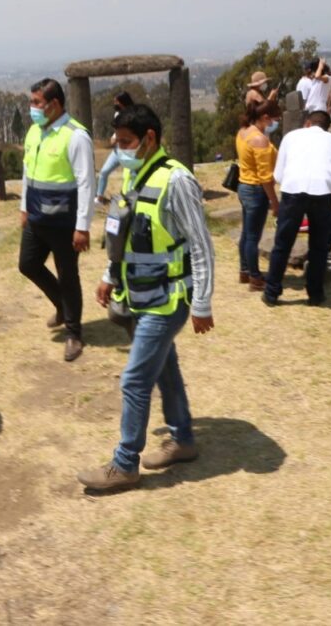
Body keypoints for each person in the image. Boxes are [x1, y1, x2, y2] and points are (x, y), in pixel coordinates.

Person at [76, 104, 215, 491]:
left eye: (126, 142)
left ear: (150, 138)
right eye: (116, 142)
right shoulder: (136, 175)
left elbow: (201, 245)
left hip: (168, 300)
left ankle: (125, 464)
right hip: (141, 294)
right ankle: (183, 438)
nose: (119, 150)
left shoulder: (177, 181)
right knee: (165, 369)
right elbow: (124, 235)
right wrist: (109, 275)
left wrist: (202, 303)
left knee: (135, 379)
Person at [19, 77, 94, 362]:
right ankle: (62, 305)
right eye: (31, 101)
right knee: (27, 264)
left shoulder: (75, 136)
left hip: (64, 222)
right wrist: (24, 207)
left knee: (68, 275)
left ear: (54, 104)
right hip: (36, 218)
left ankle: (74, 333)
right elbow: (28, 172)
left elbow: (86, 183)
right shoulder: (34, 132)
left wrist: (82, 227)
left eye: (36, 102)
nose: (32, 107)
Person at [262, 111, 331, 307]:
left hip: (293, 189)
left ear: (307, 123)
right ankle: (315, 294)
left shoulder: (291, 137)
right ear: (327, 127)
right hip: (324, 191)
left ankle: (271, 292)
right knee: (319, 246)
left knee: (282, 243)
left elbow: (278, 175)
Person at [235, 100, 281, 290]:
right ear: (265, 117)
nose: (274, 123)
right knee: (253, 237)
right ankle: (255, 278)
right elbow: (265, 177)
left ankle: (245, 270)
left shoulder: (243, 132)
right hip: (256, 190)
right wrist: (275, 202)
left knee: (246, 233)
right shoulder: (259, 140)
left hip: (243, 185)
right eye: (274, 120)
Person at [95, 91, 134, 204]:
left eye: (116, 102)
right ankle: (99, 198)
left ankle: (131, 199)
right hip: (118, 151)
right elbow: (117, 130)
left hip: (129, 151)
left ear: (123, 102)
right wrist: (114, 137)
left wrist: (118, 138)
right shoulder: (117, 115)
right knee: (104, 172)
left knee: (130, 177)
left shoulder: (134, 115)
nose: (114, 104)